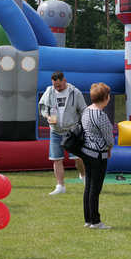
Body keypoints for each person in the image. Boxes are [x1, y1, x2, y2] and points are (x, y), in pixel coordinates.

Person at [39, 71, 87, 195]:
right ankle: (60, 186)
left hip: (72, 131)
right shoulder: (49, 92)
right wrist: (47, 116)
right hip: (55, 131)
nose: (57, 88)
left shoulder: (75, 93)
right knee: (56, 159)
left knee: (78, 158)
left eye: (59, 85)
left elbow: (83, 110)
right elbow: (43, 106)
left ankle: (83, 175)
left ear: (64, 81)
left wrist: (83, 127)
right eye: (55, 86)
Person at [81, 83, 115, 230]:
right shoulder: (101, 115)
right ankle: (96, 221)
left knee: (88, 187)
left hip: (87, 152)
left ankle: (88, 219)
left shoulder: (86, 111)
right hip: (98, 155)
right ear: (105, 98)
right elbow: (109, 138)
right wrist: (109, 147)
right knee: (95, 189)